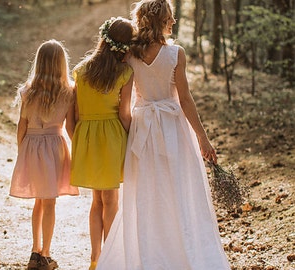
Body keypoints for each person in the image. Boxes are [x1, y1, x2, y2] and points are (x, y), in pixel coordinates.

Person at [96, 0, 231, 269]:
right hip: (173, 127)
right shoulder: (175, 54)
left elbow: (124, 101)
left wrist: (127, 133)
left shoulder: (130, 55)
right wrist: (203, 138)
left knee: (146, 194)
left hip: (142, 127)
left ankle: (150, 256)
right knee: (179, 190)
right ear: (160, 20)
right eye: (170, 17)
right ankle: (180, 253)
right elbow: (185, 99)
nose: (173, 22)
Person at [69, 17, 134, 270]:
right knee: (112, 201)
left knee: (96, 201)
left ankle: (95, 259)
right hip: (112, 136)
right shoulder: (125, 72)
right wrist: (134, 137)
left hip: (87, 135)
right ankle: (111, 260)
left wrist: (77, 139)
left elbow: (75, 111)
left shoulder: (81, 70)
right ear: (125, 46)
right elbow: (124, 114)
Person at [9, 39, 79, 270]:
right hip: (54, 148)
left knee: (39, 202)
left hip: (32, 145)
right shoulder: (68, 91)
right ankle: (46, 255)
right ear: (62, 64)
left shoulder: (27, 91)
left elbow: (22, 124)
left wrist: (23, 152)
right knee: (49, 203)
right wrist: (77, 149)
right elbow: (69, 127)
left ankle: (34, 251)